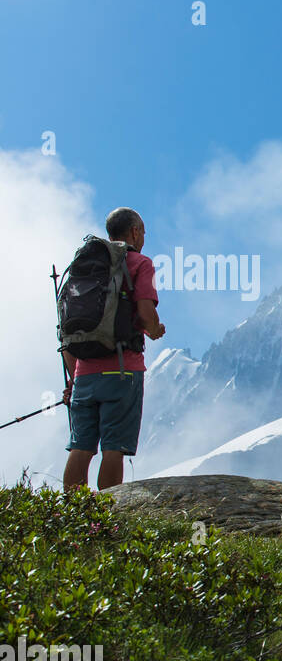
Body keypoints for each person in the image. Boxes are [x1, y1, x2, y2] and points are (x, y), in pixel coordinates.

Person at [62, 207, 165, 491]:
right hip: (123, 369)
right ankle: (105, 520)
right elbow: (145, 312)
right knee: (113, 448)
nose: (144, 236)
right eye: (143, 231)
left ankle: (72, 517)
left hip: (83, 373)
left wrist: (75, 379)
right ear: (134, 231)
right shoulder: (140, 263)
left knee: (80, 447)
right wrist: (155, 330)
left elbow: (68, 331)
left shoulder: (85, 266)